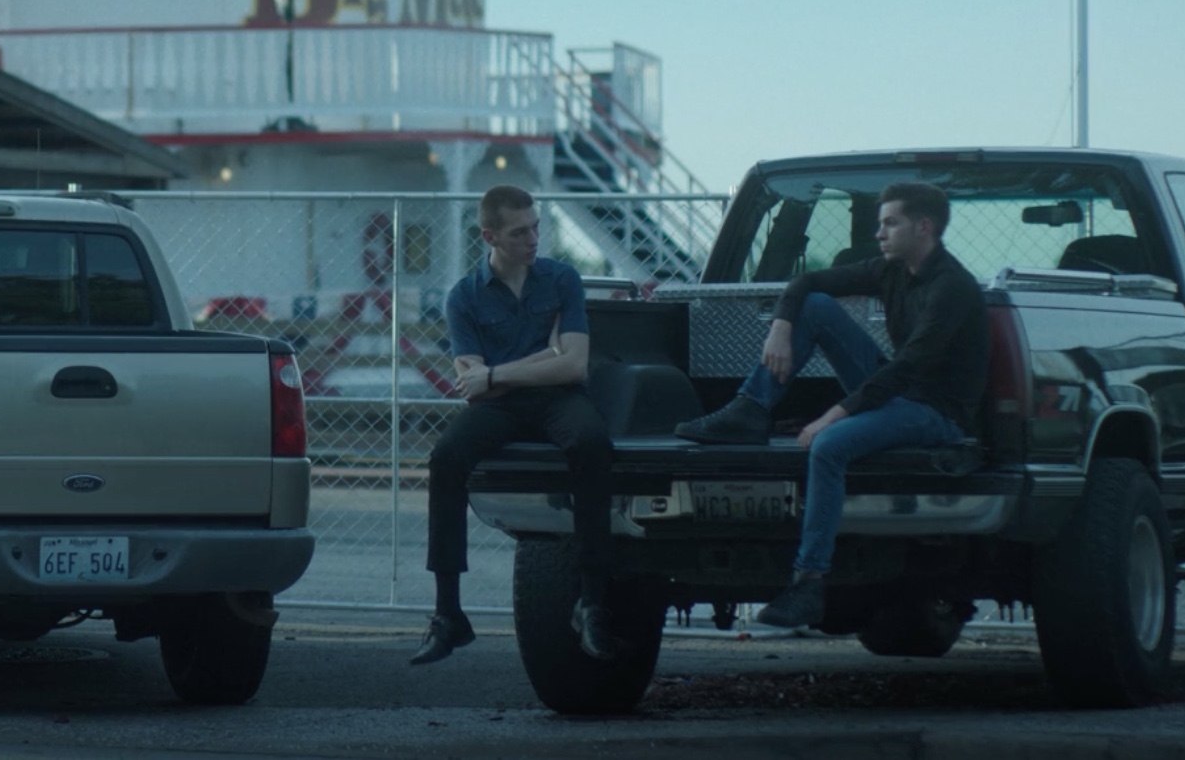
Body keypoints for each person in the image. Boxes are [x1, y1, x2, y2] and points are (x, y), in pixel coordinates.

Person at [673, 181, 988, 629]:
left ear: (924, 227)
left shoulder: (953, 287)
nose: (879, 233)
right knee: (816, 306)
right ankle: (750, 408)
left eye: (890, 223)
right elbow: (808, 282)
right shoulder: (891, 270)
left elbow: (911, 366)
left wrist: (834, 415)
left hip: (936, 413)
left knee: (828, 446)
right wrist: (781, 324)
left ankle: (808, 583)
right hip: (898, 393)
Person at [412, 185, 622, 665]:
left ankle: (591, 603)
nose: (533, 239)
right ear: (490, 236)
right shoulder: (464, 296)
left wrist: (497, 373)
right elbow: (473, 388)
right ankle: (448, 615)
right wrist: (543, 358)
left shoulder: (561, 279)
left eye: (535, 228)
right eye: (519, 232)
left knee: (592, 445)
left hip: (558, 400)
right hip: (499, 408)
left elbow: (574, 367)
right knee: (445, 459)